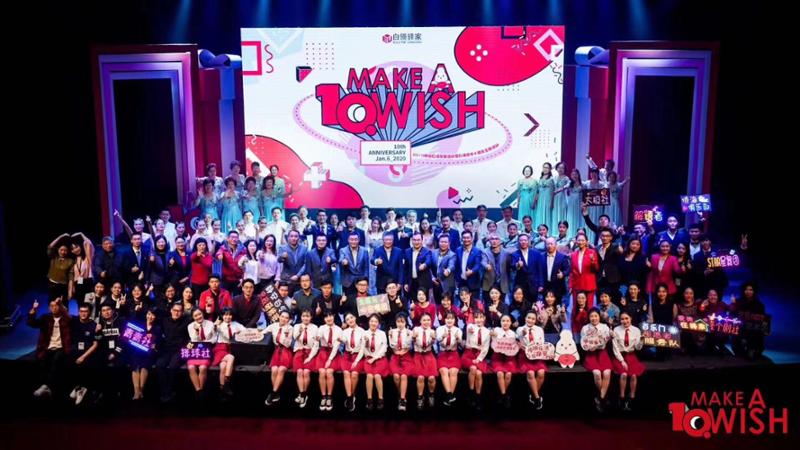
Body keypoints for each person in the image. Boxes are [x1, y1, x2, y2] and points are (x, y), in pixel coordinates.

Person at [28, 298, 71, 398]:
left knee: (55, 362)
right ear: (49, 308)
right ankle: (46, 387)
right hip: (47, 347)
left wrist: (61, 304)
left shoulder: (65, 318)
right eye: (52, 306)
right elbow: (32, 323)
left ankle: (46, 386)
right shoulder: (45, 318)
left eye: (56, 306)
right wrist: (34, 310)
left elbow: (68, 317)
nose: (54, 308)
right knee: (43, 363)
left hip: (61, 347)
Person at [307, 311, 342, 411]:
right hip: (322, 353)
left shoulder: (339, 329)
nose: (328, 319)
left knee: (329, 372)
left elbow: (336, 346)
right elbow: (316, 344)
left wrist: (330, 359)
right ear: (324, 319)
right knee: (322, 372)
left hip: (333, 354)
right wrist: (310, 356)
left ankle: (329, 397)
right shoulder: (321, 328)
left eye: (330, 316)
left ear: (333, 317)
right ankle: (323, 397)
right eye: (326, 317)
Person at [156, 302, 191, 403]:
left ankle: (169, 391)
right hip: (166, 349)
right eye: (175, 310)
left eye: (179, 311)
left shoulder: (187, 321)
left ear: (182, 312)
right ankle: (164, 392)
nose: (176, 313)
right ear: (171, 311)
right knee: (159, 365)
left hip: (180, 350)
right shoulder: (165, 321)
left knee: (172, 366)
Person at [581, 308, 613, 413]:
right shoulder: (585, 328)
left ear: (599, 317)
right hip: (591, 355)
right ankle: (604, 398)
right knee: (597, 373)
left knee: (607, 373)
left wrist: (611, 335)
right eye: (591, 316)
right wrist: (588, 347)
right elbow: (583, 342)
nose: (594, 318)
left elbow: (606, 340)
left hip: (602, 354)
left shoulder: (604, 327)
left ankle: (600, 398)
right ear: (589, 318)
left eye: (596, 316)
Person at [355, 314, 389, 411]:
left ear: (378, 323)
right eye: (371, 321)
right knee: (369, 376)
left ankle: (380, 398)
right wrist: (366, 343)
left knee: (377, 376)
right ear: (368, 322)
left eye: (375, 321)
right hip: (368, 359)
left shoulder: (382, 333)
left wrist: (375, 358)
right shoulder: (365, 333)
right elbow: (363, 349)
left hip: (380, 359)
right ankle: (369, 399)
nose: (373, 323)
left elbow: (384, 348)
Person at [612, 311, 645, 411]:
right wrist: (622, 361)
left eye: (627, 318)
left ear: (631, 319)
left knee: (634, 375)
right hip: (619, 356)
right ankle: (622, 397)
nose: (625, 321)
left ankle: (632, 397)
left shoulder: (636, 330)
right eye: (622, 319)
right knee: (624, 374)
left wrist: (642, 340)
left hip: (631, 356)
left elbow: (638, 348)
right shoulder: (616, 330)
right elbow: (615, 348)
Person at [69, 303, 99, 405]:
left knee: (85, 364)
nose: (83, 314)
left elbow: (95, 345)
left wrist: (83, 356)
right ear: (78, 312)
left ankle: (82, 389)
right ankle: (78, 387)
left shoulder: (94, 325)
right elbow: (64, 313)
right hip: (75, 351)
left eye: (86, 311)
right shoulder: (74, 321)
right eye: (81, 311)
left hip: (88, 352)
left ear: (89, 312)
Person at [517, 310, 547, 410]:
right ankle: (537, 398)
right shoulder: (520, 329)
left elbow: (542, 344)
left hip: (536, 355)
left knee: (541, 372)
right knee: (530, 373)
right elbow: (519, 339)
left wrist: (537, 349)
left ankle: (533, 395)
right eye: (529, 318)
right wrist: (523, 334)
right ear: (525, 318)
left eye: (533, 319)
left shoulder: (539, 330)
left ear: (535, 320)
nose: (530, 320)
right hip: (524, 356)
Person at [264, 310, 294, 406]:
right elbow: (263, 332)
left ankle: (272, 393)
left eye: (286, 318)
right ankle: (276, 393)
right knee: (274, 370)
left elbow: (288, 344)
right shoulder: (273, 326)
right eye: (282, 316)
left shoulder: (290, 328)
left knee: (281, 370)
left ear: (288, 320)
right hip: (276, 351)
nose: (284, 319)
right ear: (279, 317)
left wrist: (284, 334)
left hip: (286, 351)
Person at [213, 308, 244, 398]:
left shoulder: (236, 324)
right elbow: (214, 331)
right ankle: (227, 383)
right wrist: (216, 325)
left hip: (231, 348)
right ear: (222, 316)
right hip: (220, 348)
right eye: (225, 315)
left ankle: (222, 388)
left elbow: (246, 330)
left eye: (230, 315)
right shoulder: (219, 325)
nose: (228, 317)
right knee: (231, 358)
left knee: (223, 366)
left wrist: (240, 333)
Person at [186, 307, 216, 398]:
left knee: (202, 368)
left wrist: (207, 342)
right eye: (195, 316)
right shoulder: (190, 326)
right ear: (193, 317)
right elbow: (194, 340)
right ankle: (198, 390)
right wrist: (196, 331)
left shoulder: (210, 324)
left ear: (203, 314)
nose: (198, 317)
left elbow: (214, 338)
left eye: (199, 314)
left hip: (207, 350)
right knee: (191, 367)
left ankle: (201, 390)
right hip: (196, 350)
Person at [339, 312, 365, 412]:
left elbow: (363, 349)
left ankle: (352, 395)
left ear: (355, 318)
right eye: (347, 319)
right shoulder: (345, 331)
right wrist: (341, 340)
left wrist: (357, 360)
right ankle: (349, 397)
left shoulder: (362, 331)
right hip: (347, 355)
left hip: (358, 355)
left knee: (354, 374)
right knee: (346, 373)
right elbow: (344, 341)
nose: (350, 320)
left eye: (351, 317)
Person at [292, 310, 318, 409]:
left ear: (311, 317)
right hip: (299, 352)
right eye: (303, 316)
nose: (305, 318)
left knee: (306, 372)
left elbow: (316, 345)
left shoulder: (315, 327)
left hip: (310, 352)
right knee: (299, 372)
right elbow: (295, 338)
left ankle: (303, 394)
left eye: (308, 316)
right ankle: (302, 393)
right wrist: (300, 331)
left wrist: (310, 357)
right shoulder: (296, 326)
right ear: (301, 317)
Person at [388, 312, 414, 411]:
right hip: (395, 356)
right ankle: (400, 394)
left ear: (406, 322)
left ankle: (402, 399)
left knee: (403, 376)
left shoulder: (409, 332)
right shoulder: (392, 331)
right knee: (396, 376)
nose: (400, 324)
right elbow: (392, 346)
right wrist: (390, 336)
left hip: (406, 357)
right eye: (398, 322)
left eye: (402, 322)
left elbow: (409, 347)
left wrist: (407, 339)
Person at [436, 311, 463, 407]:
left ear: (454, 320)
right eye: (447, 318)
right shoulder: (440, 329)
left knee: (453, 372)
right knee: (444, 371)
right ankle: (450, 395)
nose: (449, 320)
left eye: (451, 318)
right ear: (444, 319)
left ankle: (449, 397)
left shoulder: (458, 330)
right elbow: (438, 342)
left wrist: (458, 340)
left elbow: (461, 345)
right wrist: (443, 337)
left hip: (454, 354)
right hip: (443, 354)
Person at [491, 314, 518, 409]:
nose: (505, 323)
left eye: (507, 321)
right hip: (497, 357)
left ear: (510, 323)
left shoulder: (513, 333)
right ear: (500, 322)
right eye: (503, 321)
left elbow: (514, 347)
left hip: (509, 358)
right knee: (500, 373)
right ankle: (504, 396)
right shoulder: (496, 330)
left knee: (508, 374)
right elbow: (493, 345)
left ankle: (501, 395)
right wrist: (493, 337)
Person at [412, 313, 437, 410]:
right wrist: (414, 338)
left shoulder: (432, 331)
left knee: (431, 378)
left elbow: (429, 345)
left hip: (429, 355)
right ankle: (420, 397)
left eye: (428, 320)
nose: (426, 322)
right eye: (424, 320)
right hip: (418, 355)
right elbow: (416, 344)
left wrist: (433, 339)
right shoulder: (416, 330)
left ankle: (431, 395)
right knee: (420, 377)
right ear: (420, 321)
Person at [569, 234, 600, 307]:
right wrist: (570, 285)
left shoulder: (592, 252)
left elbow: (596, 269)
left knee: (589, 307)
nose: (580, 242)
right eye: (579, 240)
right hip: (576, 285)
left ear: (586, 241)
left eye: (583, 240)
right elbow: (572, 272)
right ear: (576, 241)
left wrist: (593, 262)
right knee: (576, 307)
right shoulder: (573, 254)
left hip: (588, 284)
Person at [481, 233, 512, 302]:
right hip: (488, 282)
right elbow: (483, 261)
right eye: (492, 239)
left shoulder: (506, 253)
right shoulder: (485, 251)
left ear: (500, 241)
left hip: (502, 282)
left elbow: (510, 266)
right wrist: (486, 265)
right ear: (489, 241)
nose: (494, 241)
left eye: (496, 239)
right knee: (487, 304)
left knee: (501, 304)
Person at [403, 232, 433, 299]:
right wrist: (405, 283)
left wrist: (424, 265)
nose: (416, 242)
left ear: (422, 241)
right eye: (414, 240)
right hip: (411, 283)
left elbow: (428, 261)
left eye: (418, 240)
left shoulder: (427, 251)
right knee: (413, 303)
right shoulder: (407, 251)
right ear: (412, 241)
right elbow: (405, 269)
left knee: (424, 303)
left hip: (423, 283)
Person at [278, 230, 308, 295]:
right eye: (291, 236)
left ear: (299, 237)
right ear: (288, 237)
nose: (293, 238)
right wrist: (282, 257)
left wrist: (298, 275)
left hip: (300, 280)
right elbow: (279, 260)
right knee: (286, 299)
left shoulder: (304, 248)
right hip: (286, 279)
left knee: (298, 299)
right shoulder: (282, 248)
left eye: (296, 236)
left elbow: (306, 263)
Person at [431, 235, 456, 301]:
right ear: (438, 242)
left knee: (448, 304)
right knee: (437, 304)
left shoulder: (452, 255)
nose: (443, 244)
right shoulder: (433, 253)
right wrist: (432, 278)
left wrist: (448, 270)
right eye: (441, 242)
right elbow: (430, 267)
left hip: (447, 284)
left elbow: (452, 265)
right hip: (436, 283)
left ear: (449, 243)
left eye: (445, 242)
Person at [533, 162, 555, 232]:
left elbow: (552, 192)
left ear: (550, 169)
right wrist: (535, 201)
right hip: (540, 200)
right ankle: (539, 231)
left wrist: (552, 203)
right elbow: (538, 192)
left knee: (547, 215)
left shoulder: (551, 179)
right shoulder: (540, 179)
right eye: (544, 167)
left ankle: (547, 232)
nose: (545, 169)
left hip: (548, 199)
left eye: (547, 168)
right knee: (540, 214)